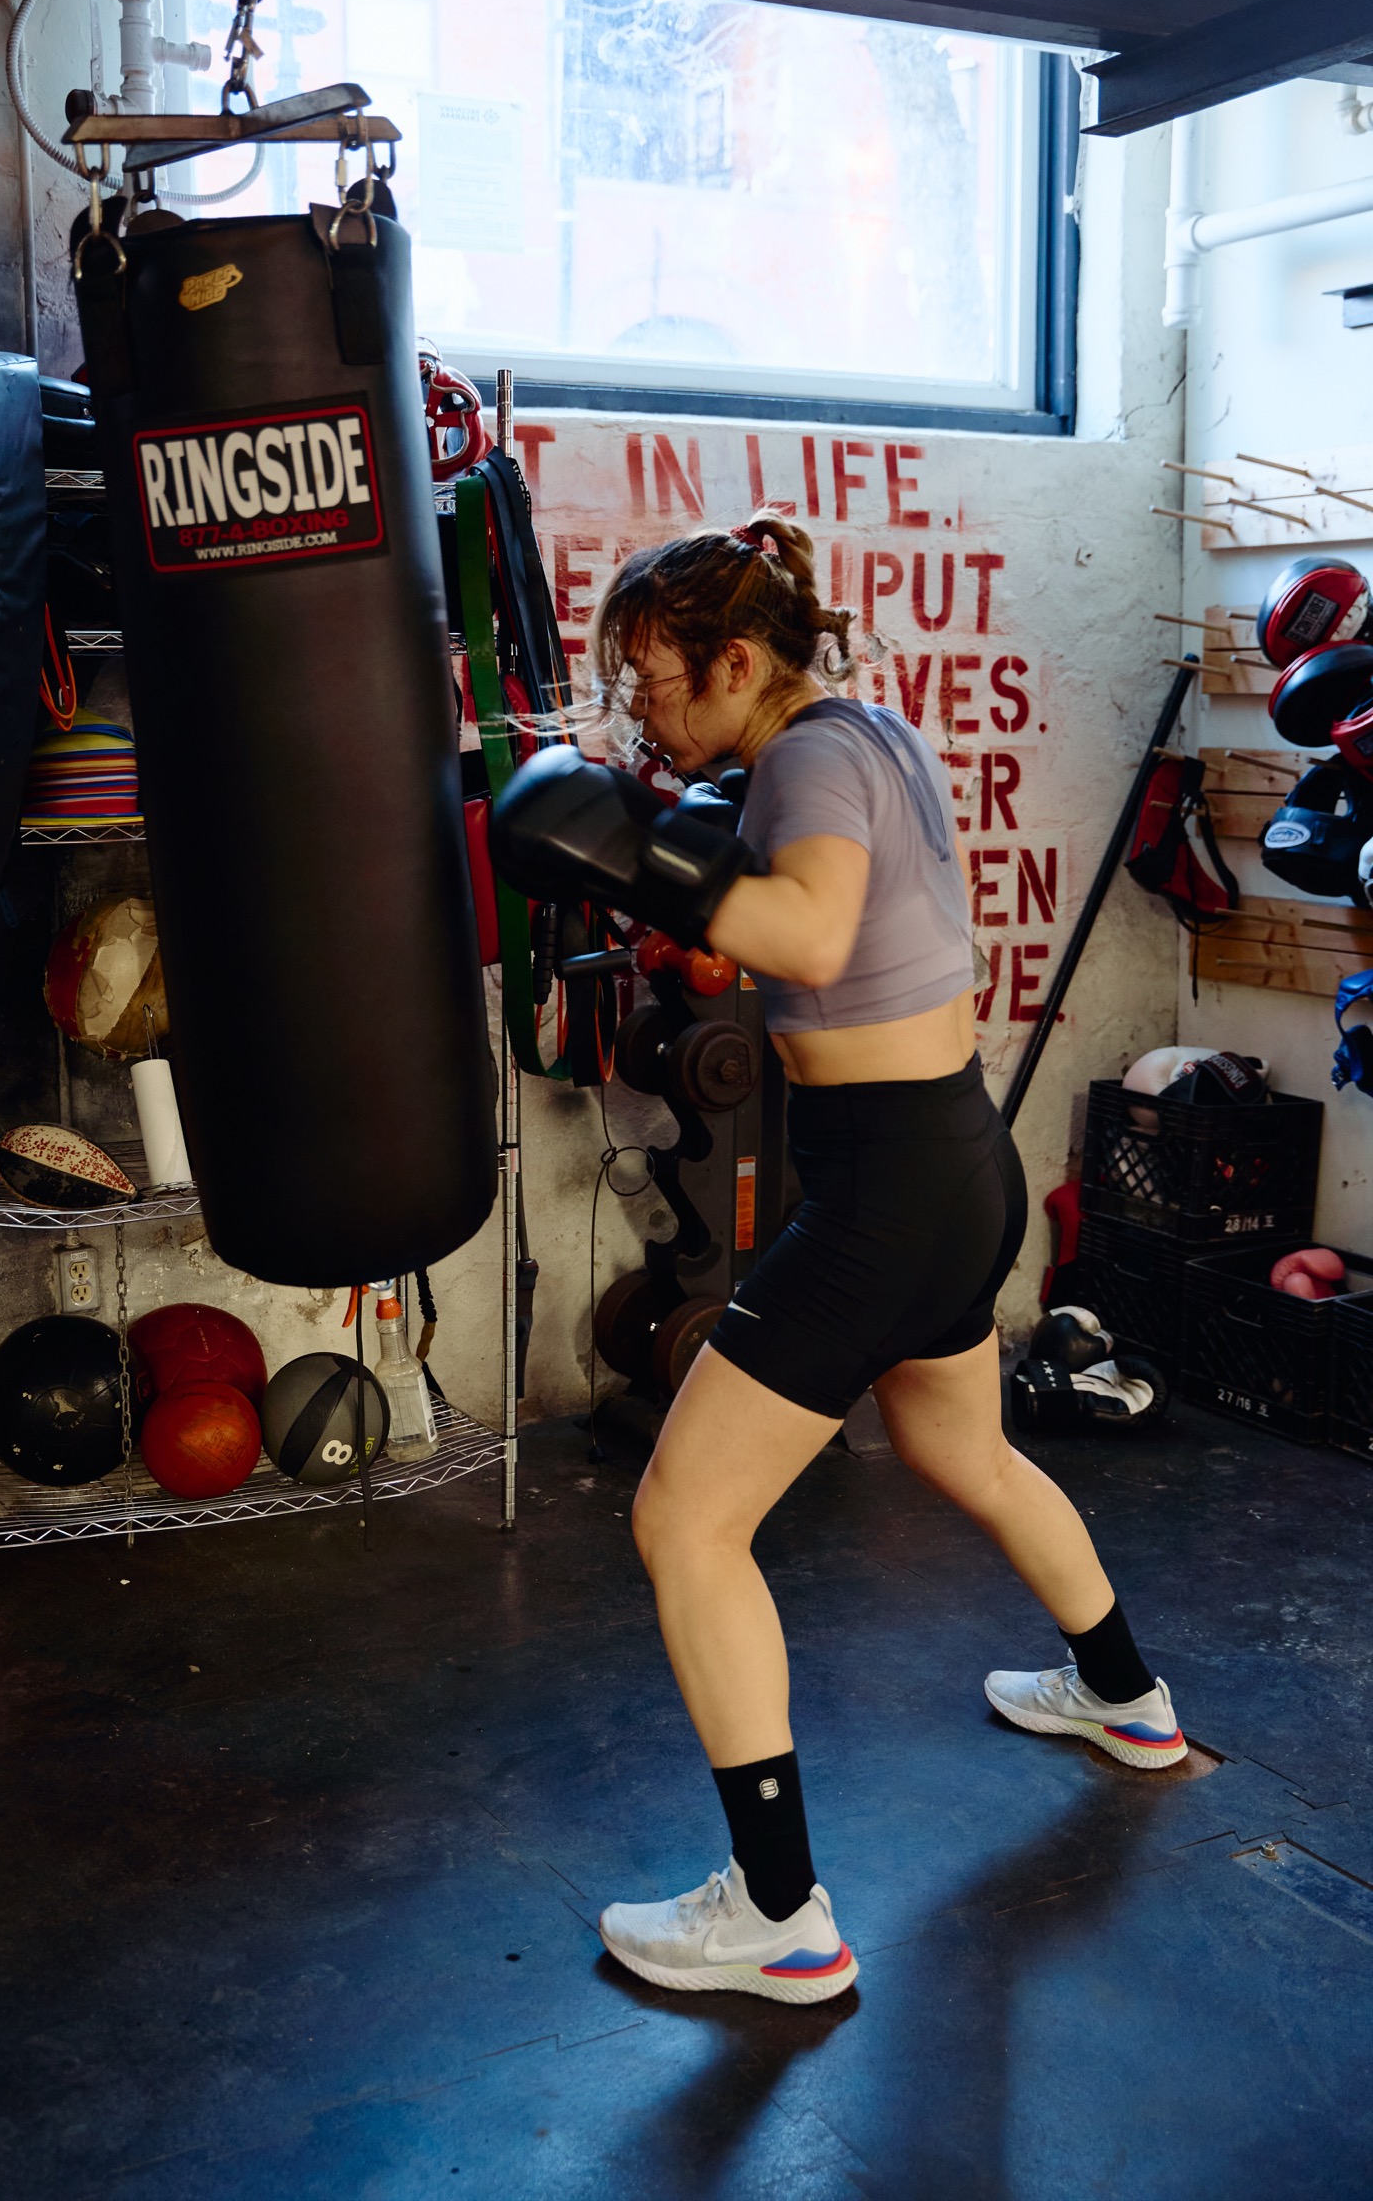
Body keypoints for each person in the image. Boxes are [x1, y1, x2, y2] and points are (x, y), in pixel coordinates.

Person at [490, 512, 1186, 2007]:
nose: (645, 715)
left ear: (739, 660)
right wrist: (691, 893)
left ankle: (779, 1913)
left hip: (879, 1198)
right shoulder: (865, 734)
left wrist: (639, 869)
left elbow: (808, 937)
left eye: (659, 681)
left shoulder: (801, 758)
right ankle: (1127, 1700)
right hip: (958, 1160)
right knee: (970, 1455)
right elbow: (838, 936)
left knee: (685, 1524)